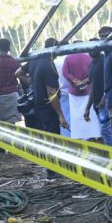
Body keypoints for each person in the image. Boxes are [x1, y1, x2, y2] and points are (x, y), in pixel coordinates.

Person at [28, 39, 68, 178]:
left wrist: (33, 84)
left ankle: (52, 169)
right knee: (52, 139)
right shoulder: (49, 65)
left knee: (47, 137)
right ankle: (53, 172)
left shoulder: (34, 60)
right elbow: (52, 93)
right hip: (48, 107)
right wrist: (61, 115)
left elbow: (18, 73)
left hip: (38, 105)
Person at [60, 44, 101, 141]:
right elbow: (93, 72)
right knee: (90, 114)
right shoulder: (89, 57)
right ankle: (91, 135)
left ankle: (79, 136)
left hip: (74, 92)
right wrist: (84, 81)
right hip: (88, 90)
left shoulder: (68, 58)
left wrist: (75, 81)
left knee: (76, 116)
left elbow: (65, 73)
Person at [83, 44, 112, 145]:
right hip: (97, 104)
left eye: (93, 48)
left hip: (106, 102)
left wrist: (104, 98)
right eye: (89, 49)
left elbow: (110, 81)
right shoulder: (91, 64)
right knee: (104, 131)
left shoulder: (104, 61)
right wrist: (88, 107)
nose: (91, 51)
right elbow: (92, 87)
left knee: (107, 131)